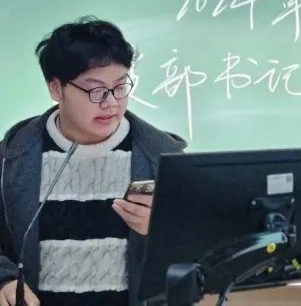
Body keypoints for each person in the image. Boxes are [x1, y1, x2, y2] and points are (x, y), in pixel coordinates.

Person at [0, 17, 186, 306]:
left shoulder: (162, 159)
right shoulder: (12, 159)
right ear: (56, 89)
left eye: (120, 87)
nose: (111, 103)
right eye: (96, 91)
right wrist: (5, 279)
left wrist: (163, 231)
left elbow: (201, 258)